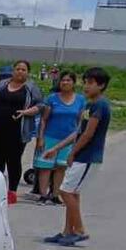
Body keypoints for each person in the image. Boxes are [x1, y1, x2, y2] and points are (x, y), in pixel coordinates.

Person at [43, 67, 111, 247]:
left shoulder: (100, 105)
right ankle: (68, 231)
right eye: (85, 82)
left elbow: (88, 134)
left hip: (87, 156)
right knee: (72, 192)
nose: (86, 86)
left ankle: (79, 229)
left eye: (91, 83)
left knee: (65, 192)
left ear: (101, 85)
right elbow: (78, 132)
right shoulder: (89, 105)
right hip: (81, 156)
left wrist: (72, 152)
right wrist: (56, 148)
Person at [0, 60, 43, 203]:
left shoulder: (31, 88)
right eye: (18, 69)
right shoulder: (1, 85)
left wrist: (27, 112)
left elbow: (41, 106)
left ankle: (12, 192)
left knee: (13, 161)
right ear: (13, 71)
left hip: (17, 131)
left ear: (28, 73)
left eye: (23, 70)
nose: (20, 72)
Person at [32, 71, 84, 203]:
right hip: (50, 137)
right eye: (63, 80)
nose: (65, 83)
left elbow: (80, 122)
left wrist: (77, 138)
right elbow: (44, 119)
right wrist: (41, 138)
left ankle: (55, 195)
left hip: (68, 140)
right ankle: (43, 195)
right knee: (45, 167)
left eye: (68, 80)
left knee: (61, 167)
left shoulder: (80, 100)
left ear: (74, 83)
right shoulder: (52, 98)